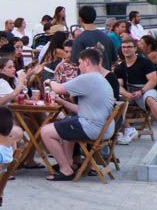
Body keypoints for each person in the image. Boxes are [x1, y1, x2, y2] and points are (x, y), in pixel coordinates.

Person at [40, 47, 117, 181]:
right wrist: (62, 102)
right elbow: (83, 109)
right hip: (104, 127)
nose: (79, 67)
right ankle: (68, 163)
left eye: (80, 63)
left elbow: (58, 88)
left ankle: (65, 170)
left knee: (45, 131)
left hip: (93, 128)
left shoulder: (87, 78)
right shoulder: (100, 79)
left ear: (86, 62)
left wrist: (49, 81)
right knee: (66, 125)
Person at [115, 36, 157, 140]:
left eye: (129, 47)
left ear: (135, 48)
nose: (126, 49)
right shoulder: (120, 67)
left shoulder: (144, 61)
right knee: (113, 102)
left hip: (145, 90)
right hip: (129, 94)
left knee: (150, 98)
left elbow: (153, 81)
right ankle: (127, 129)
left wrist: (141, 91)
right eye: (123, 47)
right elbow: (119, 85)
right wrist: (125, 93)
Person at [69, 4, 112, 69]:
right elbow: (114, 61)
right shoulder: (107, 38)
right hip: (105, 77)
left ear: (80, 19)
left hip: (87, 78)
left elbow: (74, 63)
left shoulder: (79, 40)